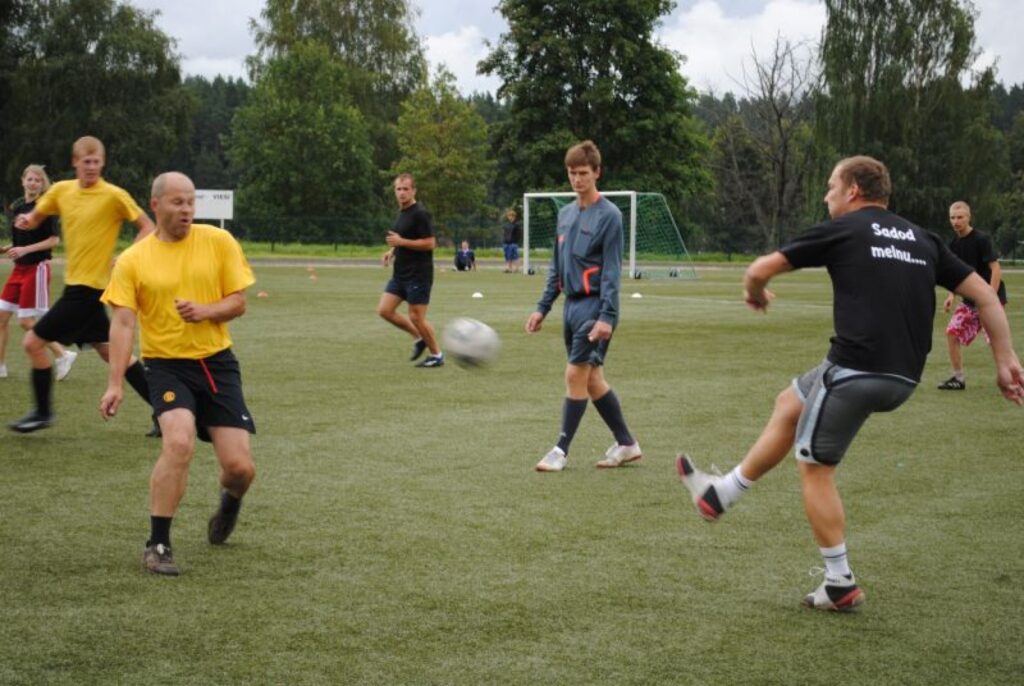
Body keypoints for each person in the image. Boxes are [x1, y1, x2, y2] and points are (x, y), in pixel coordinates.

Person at [676, 156, 1023, 612]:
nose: (826, 196)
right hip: (903, 376)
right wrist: (1006, 360)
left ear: (854, 191)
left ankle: (839, 581)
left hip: (856, 371)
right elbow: (985, 296)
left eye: (830, 186)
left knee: (816, 468)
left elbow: (758, 270)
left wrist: (756, 293)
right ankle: (721, 494)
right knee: (790, 402)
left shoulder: (843, 229)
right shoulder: (922, 237)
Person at [100, 172, 257, 577]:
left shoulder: (219, 242)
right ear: (155, 205)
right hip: (166, 366)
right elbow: (121, 324)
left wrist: (206, 312)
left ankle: (229, 502)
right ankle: (158, 544)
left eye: (190, 202)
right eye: (177, 202)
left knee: (240, 469)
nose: (186, 209)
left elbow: (238, 302)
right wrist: (116, 381)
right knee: (179, 441)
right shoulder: (134, 260)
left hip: (218, 363)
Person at [7, 136, 157, 434]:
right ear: (75, 162)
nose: (91, 167)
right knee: (115, 355)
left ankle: (43, 412)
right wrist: (27, 220)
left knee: (32, 342)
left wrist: (125, 256)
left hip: (87, 291)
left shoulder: (114, 195)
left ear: (102, 163)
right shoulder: (62, 191)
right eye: (85, 162)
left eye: (96, 162)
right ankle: (167, 410)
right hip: (77, 288)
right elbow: (37, 216)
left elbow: (148, 227)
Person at [526, 140, 642, 471]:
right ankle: (627, 444)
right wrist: (541, 308)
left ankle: (560, 450)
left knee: (575, 374)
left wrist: (607, 316)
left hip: (595, 309)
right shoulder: (564, 215)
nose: (577, 179)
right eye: (572, 173)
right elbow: (556, 268)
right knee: (592, 381)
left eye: (583, 173)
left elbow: (611, 272)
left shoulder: (610, 216)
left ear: (597, 173)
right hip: (570, 308)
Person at [1, 164, 78, 381]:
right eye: (30, 179)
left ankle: (63, 354)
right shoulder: (17, 209)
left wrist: (25, 249)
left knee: (26, 321)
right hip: (19, 270)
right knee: (1, 317)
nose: (33, 182)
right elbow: (20, 241)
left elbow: (54, 240)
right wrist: (9, 247)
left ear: (42, 183)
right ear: (22, 180)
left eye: (37, 180)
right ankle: (0, 366)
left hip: (37, 268)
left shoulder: (46, 209)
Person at [937, 200, 1008, 390]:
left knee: (995, 339)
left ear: (969, 217)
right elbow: (956, 274)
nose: (956, 221)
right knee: (952, 333)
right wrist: (951, 295)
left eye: (960, 217)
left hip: (991, 298)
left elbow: (995, 268)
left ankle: (1013, 376)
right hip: (971, 299)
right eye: (952, 217)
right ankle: (958, 379)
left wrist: (991, 296)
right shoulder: (953, 244)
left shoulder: (981, 239)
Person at [376, 173, 444, 368]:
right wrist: (392, 251)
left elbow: (430, 243)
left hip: (418, 275)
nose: (402, 193)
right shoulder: (402, 213)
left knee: (416, 316)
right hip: (400, 274)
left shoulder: (420, 213)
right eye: (399, 189)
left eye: (406, 189)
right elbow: (403, 238)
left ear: (414, 190)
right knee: (385, 310)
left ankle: (437, 355)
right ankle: (418, 338)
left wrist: (400, 242)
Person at [502, 208, 522, 273]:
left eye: (512, 216)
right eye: (509, 216)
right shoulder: (506, 225)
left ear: (514, 216)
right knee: (507, 257)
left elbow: (519, 234)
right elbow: (504, 233)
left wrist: (515, 241)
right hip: (506, 243)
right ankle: (509, 268)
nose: (510, 217)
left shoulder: (516, 225)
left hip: (513, 243)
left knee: (515, 256)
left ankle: (517, 268)